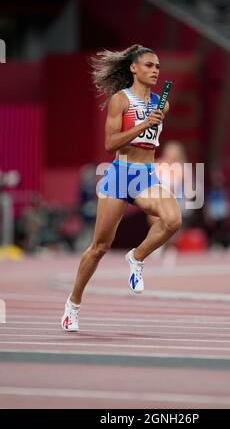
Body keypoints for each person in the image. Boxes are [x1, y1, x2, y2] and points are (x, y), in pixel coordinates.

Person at [61, 44, 182, 331]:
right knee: (99, 247)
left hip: (146, 176)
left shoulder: (161, 103)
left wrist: (152, 122)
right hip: (120, 174)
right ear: (133, 68)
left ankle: (137, 257)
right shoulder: (121, 100)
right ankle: (73, 304)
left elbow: (150, 141)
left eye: (157, 67)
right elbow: (110, 143)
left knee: (173, 219)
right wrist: (143, 125)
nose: (155, 71)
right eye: (149, 65)